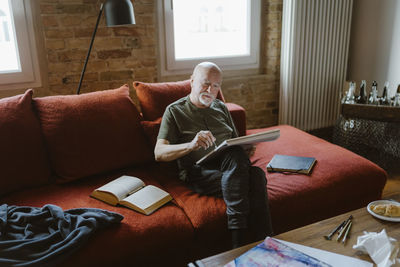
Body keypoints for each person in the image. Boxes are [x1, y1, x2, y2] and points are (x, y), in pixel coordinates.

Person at [154, 62, 273, 248]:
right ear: (192, 81)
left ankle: (250, 242)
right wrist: (191, 145)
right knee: (255, 177)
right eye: (205, 83)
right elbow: (158, 153)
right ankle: (261, 244)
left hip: (229, 168)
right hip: (199, 173)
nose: (210, 90)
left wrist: (246, 148)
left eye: (216, 86)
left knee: (251, 171)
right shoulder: (175, 111)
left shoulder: (221, 107)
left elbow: (234, 143)